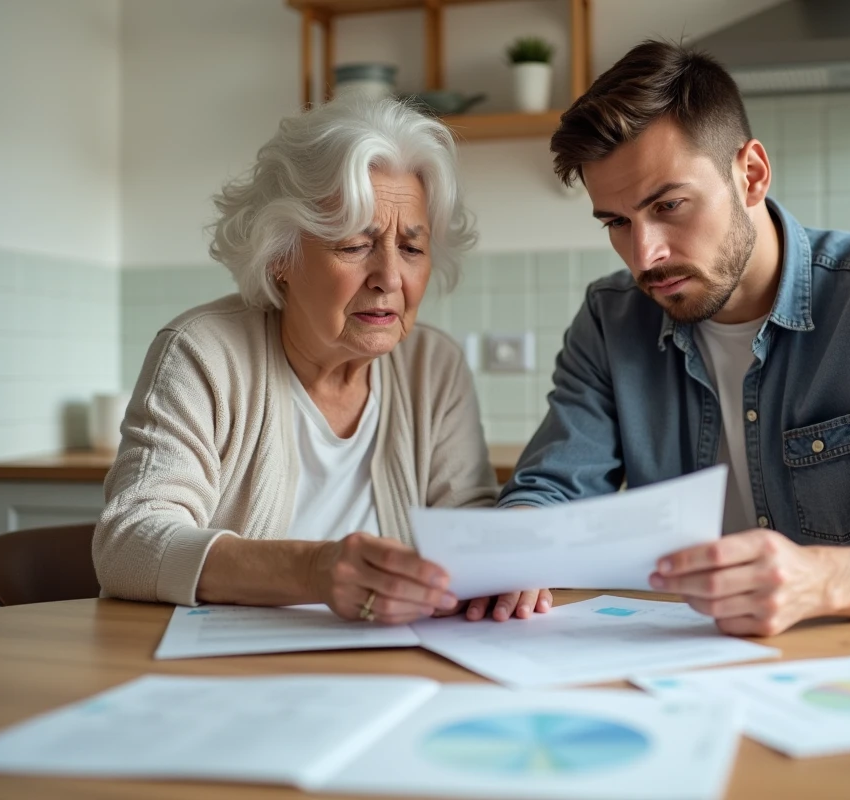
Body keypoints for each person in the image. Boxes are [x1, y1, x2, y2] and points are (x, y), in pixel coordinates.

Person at [500, 40, 850, 636]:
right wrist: (513, 548)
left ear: (750, 174)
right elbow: (550, 491)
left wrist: (816, 580)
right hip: (683, 660)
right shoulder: (610, 318)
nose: (646, 255)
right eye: (617, 222)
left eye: (669, 205)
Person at [94, 98, 551, 624]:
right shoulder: (202, 353)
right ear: (280, 255)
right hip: (230, 673)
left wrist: (507, 559)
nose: (390, 277)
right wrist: (315, 569)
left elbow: (466, 521)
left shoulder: (434, 366)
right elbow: (129, 543)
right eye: (356, 244)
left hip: (394, 668)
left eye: (411, 248)